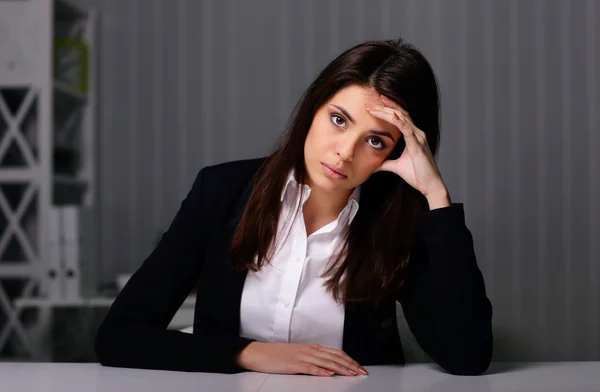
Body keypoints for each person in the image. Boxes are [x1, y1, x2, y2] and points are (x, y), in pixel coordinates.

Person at [95, 38, 493, 377]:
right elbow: (119, 336)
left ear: (398, 152)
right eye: (339, 120)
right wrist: (248, 353)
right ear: (313, 109)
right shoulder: (220, 192)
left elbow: (467, 357)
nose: (344, 152)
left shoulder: (398, 224)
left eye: (375, 141)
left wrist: (435, 196)